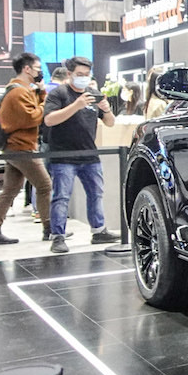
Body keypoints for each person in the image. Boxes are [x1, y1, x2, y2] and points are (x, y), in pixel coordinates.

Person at [43, 55, 120, 253]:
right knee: (61, 197)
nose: (83, 78)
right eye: (79, 74)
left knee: (96, 194)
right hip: (63, 155)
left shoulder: (93, 94)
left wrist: (107, 110)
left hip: (89, 154)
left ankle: (99, 230)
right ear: (69, 74)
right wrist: (76, 105)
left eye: (87, 74)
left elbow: (110, 123)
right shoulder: (58, 94)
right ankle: (57, 236)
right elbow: (49, 120)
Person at [0, 53, 53, 244]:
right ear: (27, 69)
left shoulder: (20, 90)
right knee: (44, 185)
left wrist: (41, 94)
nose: (40, 72)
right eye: (37, 68)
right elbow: (32, 118)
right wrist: (45, 102)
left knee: (10, 190)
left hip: (15, 148)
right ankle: (50, 229)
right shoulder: (18, 93)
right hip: (22, 148)